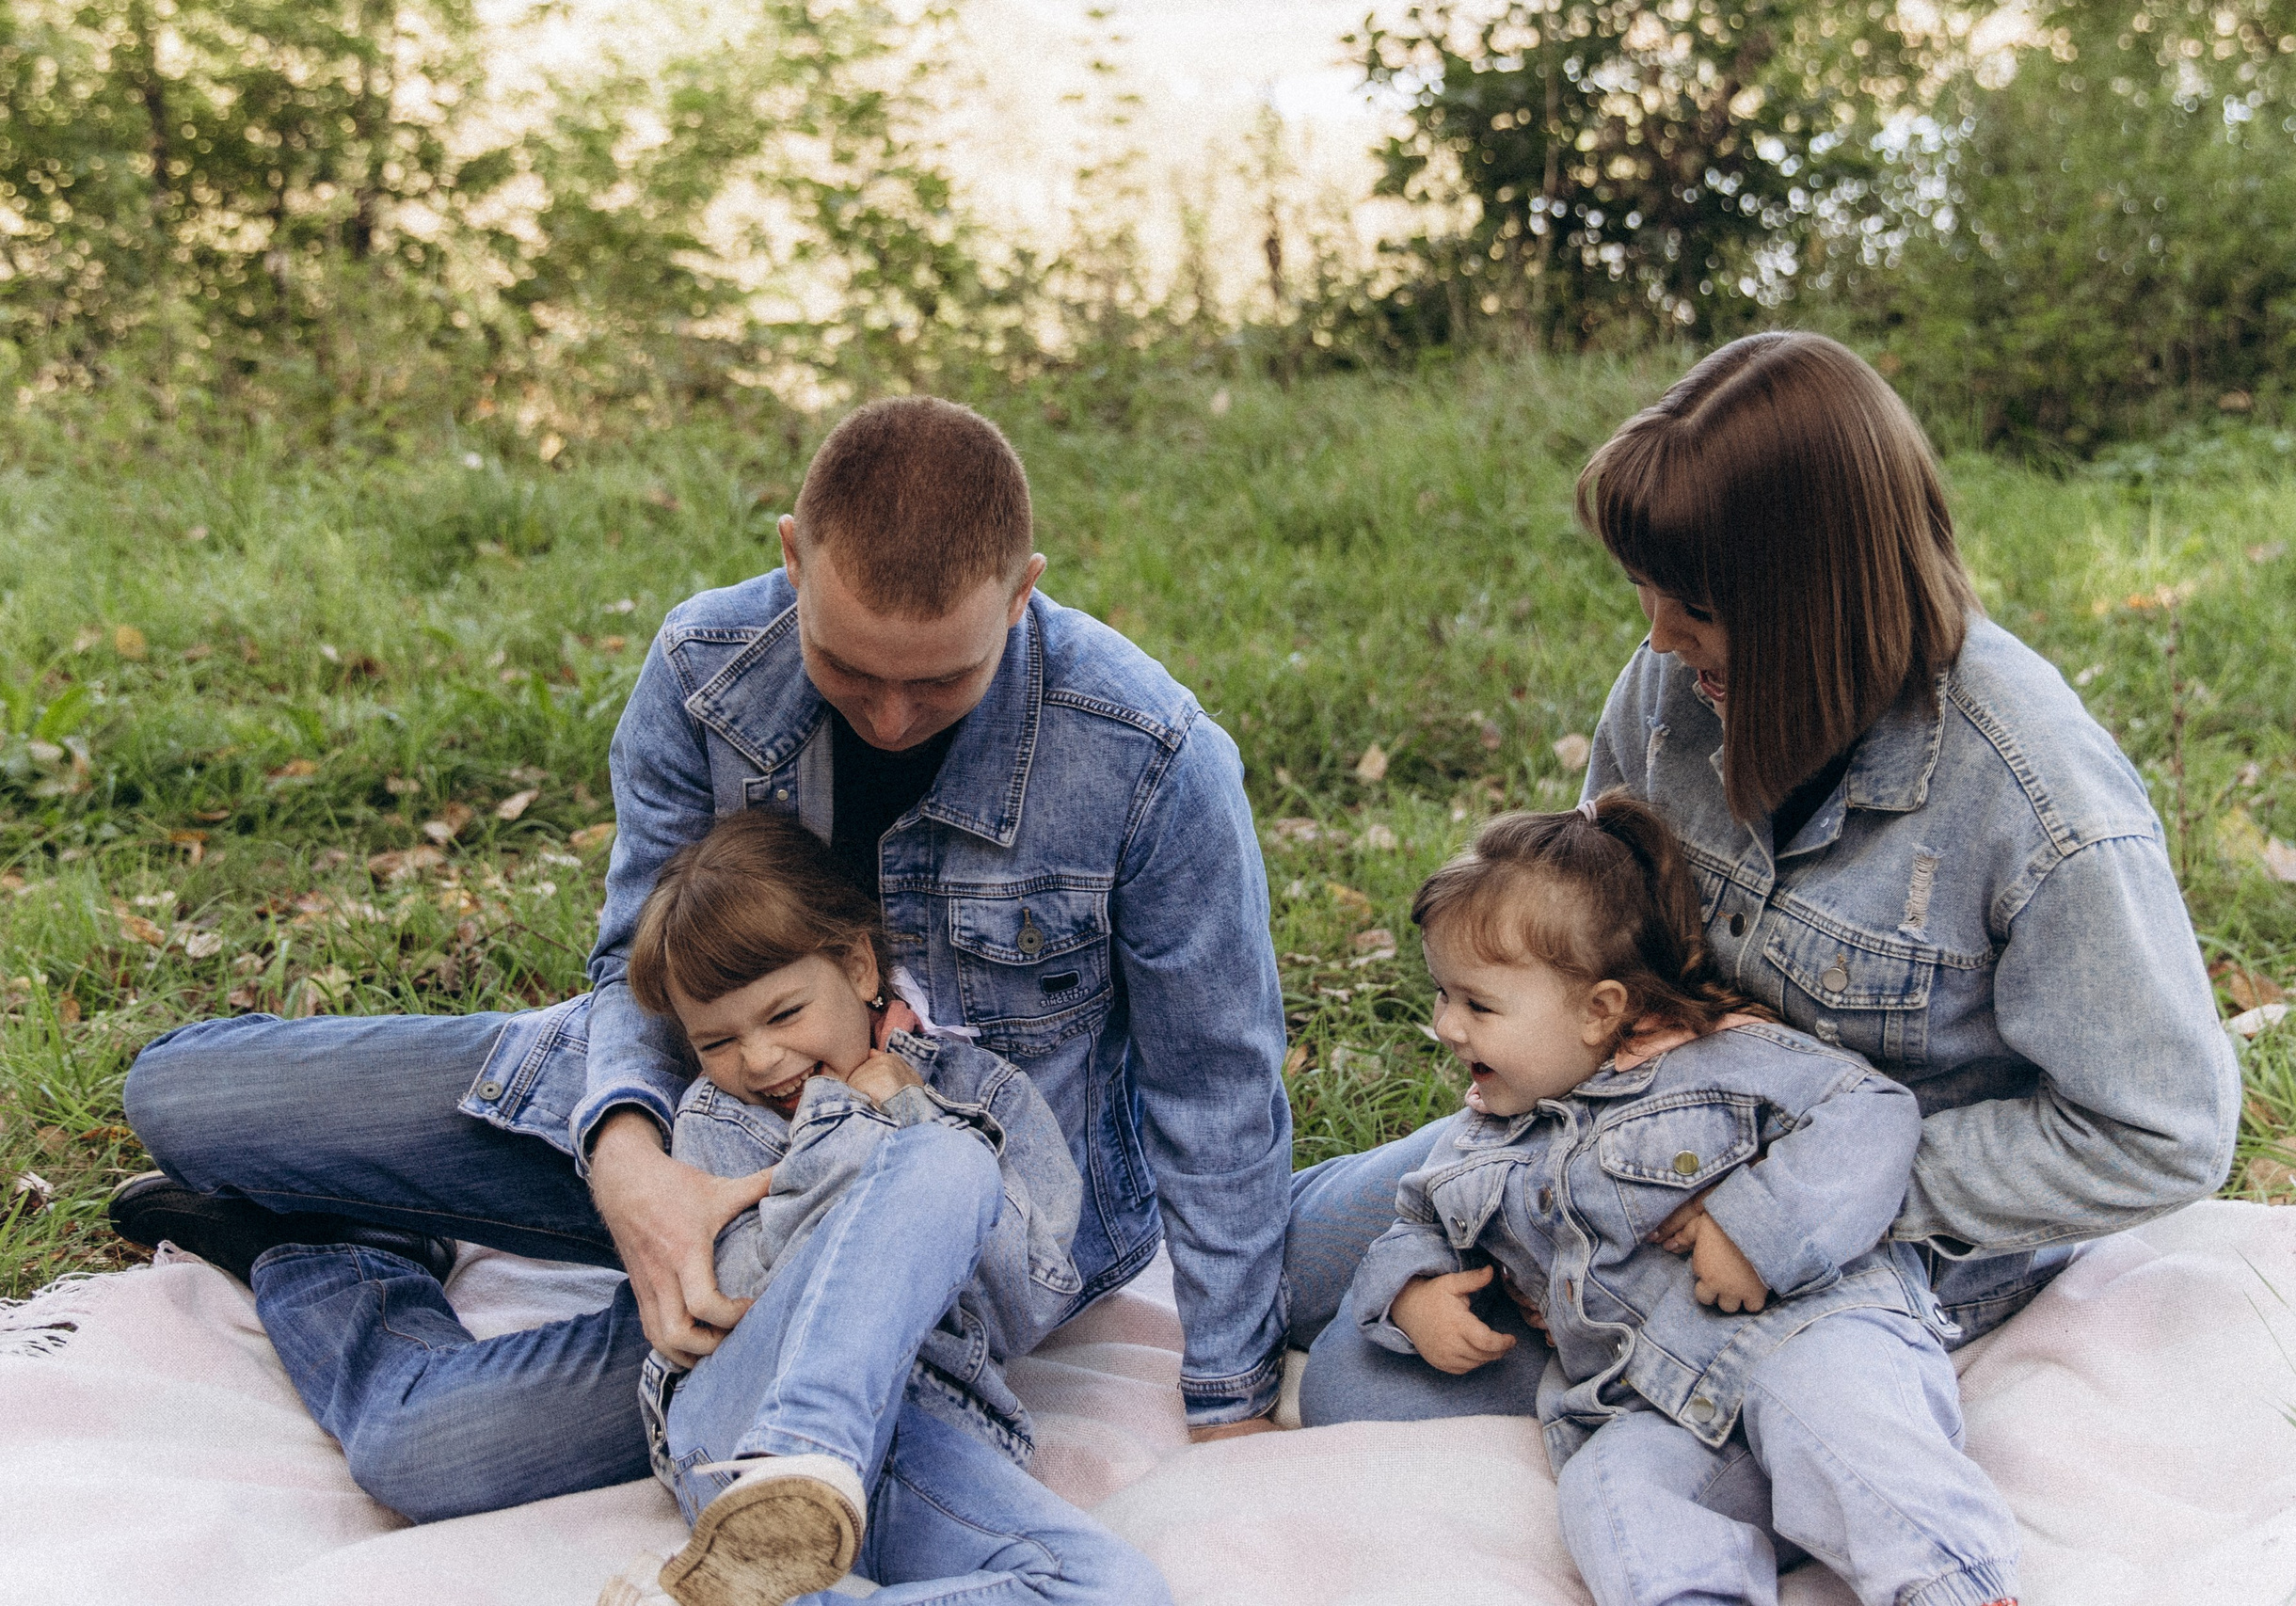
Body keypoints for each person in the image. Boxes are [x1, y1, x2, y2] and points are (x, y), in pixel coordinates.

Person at [112, 395, 1290, 1524]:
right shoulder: (704, 666)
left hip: (876, 1236)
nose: (888, 717)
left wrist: (1230, 1400)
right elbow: (630, 960)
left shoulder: (1151, 755)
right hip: (687, 1103)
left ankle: (331, 1250)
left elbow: (1217, 1086)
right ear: (792, 559)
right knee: (182, 1097)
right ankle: (426, 1201)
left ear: (1022, 594)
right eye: (849, 668)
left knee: (425, 1450)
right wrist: (630, 1164)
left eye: (939, 679)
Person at [1286, 329, 2241, 1425]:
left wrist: (1792, 1201)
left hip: (1862, 1235)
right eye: (1646, 592)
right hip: (1628, 1128)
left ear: (1820, 603)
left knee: (1360, 1388)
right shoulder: (1676, 692)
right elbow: (1594, 932)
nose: (1657, 639)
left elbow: (2164, 1133)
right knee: (1290, 1251)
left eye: (1694, 608)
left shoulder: (2040, 804)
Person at [1349, 794, 2019, 1606]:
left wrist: (1758, 1230)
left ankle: (1953, 1587)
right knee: (1610, 1490)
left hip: (1804, 1329)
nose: (1447, 1027)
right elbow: (1416, 1219)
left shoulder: (1713, 1059)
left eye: (1478, 1004)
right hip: (1647, 1402)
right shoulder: (1477, 1140)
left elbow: (1870, 1111)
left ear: (1599, 1009)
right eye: (1442, 995)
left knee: (1834, 1418)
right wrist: (1412, 1294)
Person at [605, 809, 1163, 1606]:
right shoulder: (717, 1118)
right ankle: (798, 1452)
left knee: (1118, 1589)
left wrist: (913, 1113)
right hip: (738, 1433)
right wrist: (845, 1126)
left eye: (783, 1013)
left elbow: (1025, 1305)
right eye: (716, 1042)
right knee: (945, 1156)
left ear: (860, 965)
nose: (758, 1058)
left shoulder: (983, 1092)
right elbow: (737, 1302)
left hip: (920, 1431)